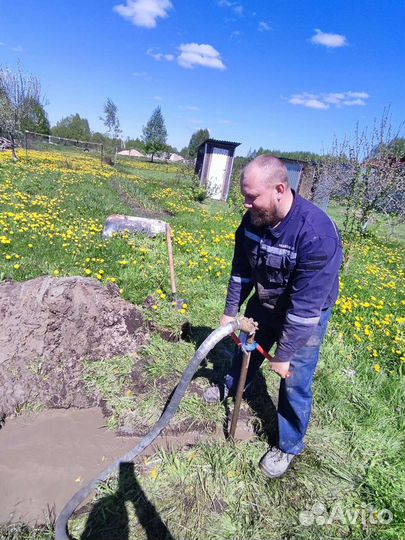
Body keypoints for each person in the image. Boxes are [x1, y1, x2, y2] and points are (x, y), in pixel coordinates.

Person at [203, 155, 343, 478]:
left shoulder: (317, 234)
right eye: (244, 197)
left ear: (280, 189)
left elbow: (305, 309)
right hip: (265, 302)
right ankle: (234, 385)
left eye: (253, 197)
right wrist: (230, 311)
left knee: (294, 379)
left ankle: (288, 444)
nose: (247, 204)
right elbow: (241, 271)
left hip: (306, 314)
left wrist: (284, 355)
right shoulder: (253, 221)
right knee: (245, 352)